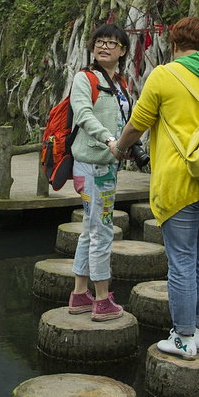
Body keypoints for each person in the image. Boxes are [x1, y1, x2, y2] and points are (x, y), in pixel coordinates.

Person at [114, 16, 199, 359]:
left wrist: (119, 147)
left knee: (183, 261)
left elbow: (137, 125)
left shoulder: (164, 75)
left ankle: (182, 338)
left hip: (180, 184)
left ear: (173, 44)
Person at [67, 23, 133, 322]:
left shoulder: (119, 82)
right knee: (102, 230)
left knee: (91, 229)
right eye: (99, 41)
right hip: (92, 165)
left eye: (111, 43)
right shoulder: (85, 78)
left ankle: (80, 294)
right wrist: (110, 140)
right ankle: (103, 301)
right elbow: (82, 114)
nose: (104, 46)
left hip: (107, 166)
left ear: (123, 51)